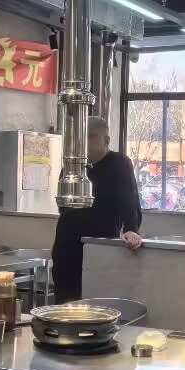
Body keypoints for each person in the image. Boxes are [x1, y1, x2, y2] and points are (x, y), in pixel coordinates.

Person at [52, 117, 143, 302]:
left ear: (106, 141)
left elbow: (130, 199)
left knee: (96, 301)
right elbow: (63, 205)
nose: (85, 143)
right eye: (82, 137)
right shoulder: (72, 166)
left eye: (92, 137)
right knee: (65, 301)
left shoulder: (119, 163)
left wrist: (131, 229)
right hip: (67, 245)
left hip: (99, 244)